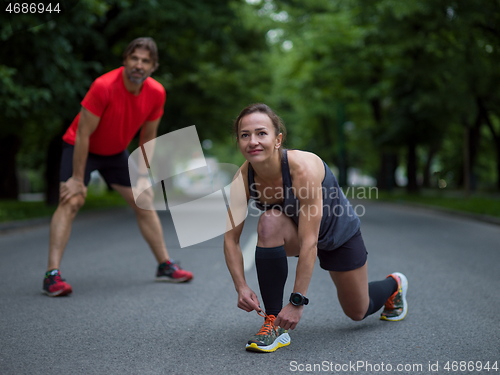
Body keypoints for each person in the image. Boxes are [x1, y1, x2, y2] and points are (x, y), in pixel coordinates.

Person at [223, 103, 408, 353]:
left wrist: (297, 302)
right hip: (295, 233)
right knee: (269, 221)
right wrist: (241, 287)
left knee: (357, 311)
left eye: (261, 133)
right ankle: (273, 323)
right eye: (245, 135)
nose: (253, 141)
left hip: (336, 235)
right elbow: (231, 239)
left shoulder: (302, 168)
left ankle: (394, 285)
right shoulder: (243, 178)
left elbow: (311, 241)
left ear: (278, 140)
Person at [43, 37, 193, 297]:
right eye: (134, 58)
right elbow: (82, 135)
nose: (138, 64)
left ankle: (164, 265)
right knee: (72, 200)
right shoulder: (103, 86)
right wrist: (77, 179)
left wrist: (144, 174)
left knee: (144, 200)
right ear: (125, 60)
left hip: (114, 153)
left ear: (153, 66)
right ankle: (51, 276)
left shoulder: (156, 93)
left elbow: (148, 138)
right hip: (81, 148)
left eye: (145, 61)